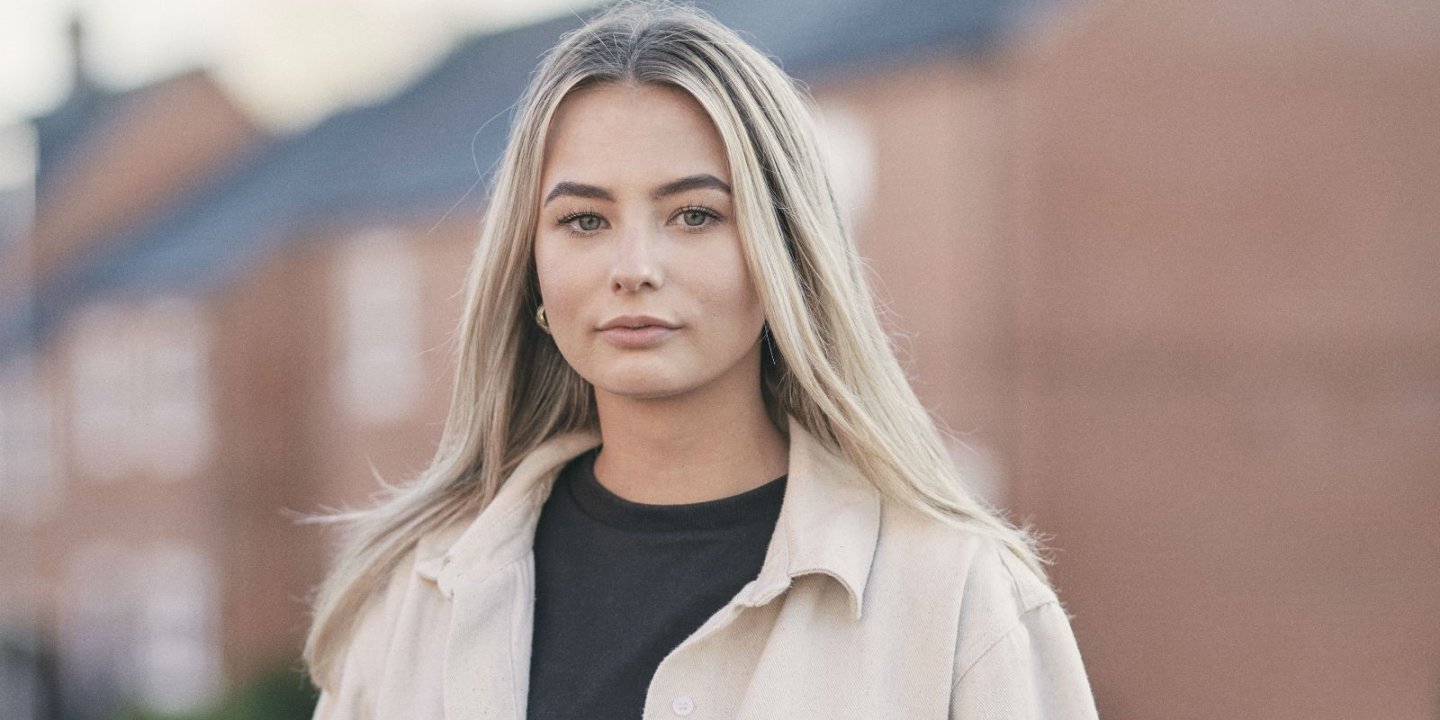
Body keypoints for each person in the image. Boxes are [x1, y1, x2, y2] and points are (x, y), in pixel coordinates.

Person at [305, 2, 1100, 718]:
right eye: (584, 220)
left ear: (785, 253)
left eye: (693, 214)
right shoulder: (414, 601)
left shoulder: (960, 603)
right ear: (530, 266)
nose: (634, 266)